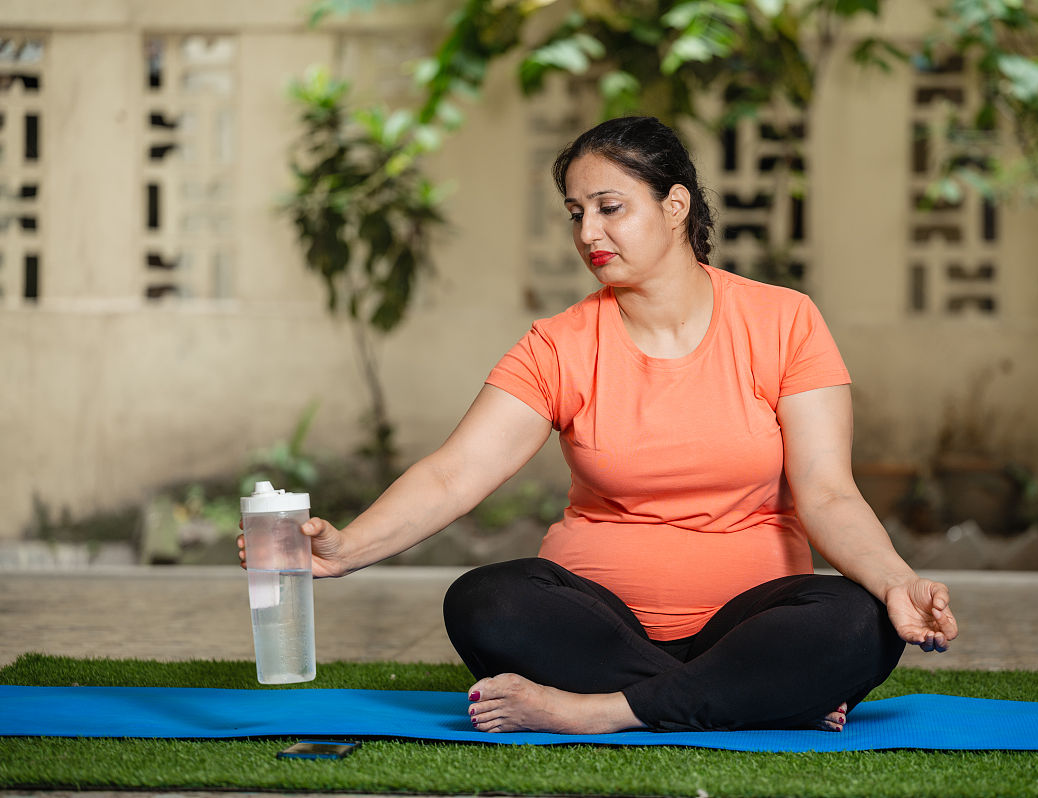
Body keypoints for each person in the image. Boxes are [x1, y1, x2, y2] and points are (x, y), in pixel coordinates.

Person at [239, 115, 958, 735]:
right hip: (597, 627)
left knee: (856, 620)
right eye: (576, 212)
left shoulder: (784, 321)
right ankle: (755, 697)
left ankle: (599, 711)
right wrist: (346, 549)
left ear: (676, 206)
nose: (589, 232)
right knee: (485, 600)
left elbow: (829, 494)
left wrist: (896, 582)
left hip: (749, 621)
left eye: (611, 207)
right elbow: (456, 471)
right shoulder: (558, 344)